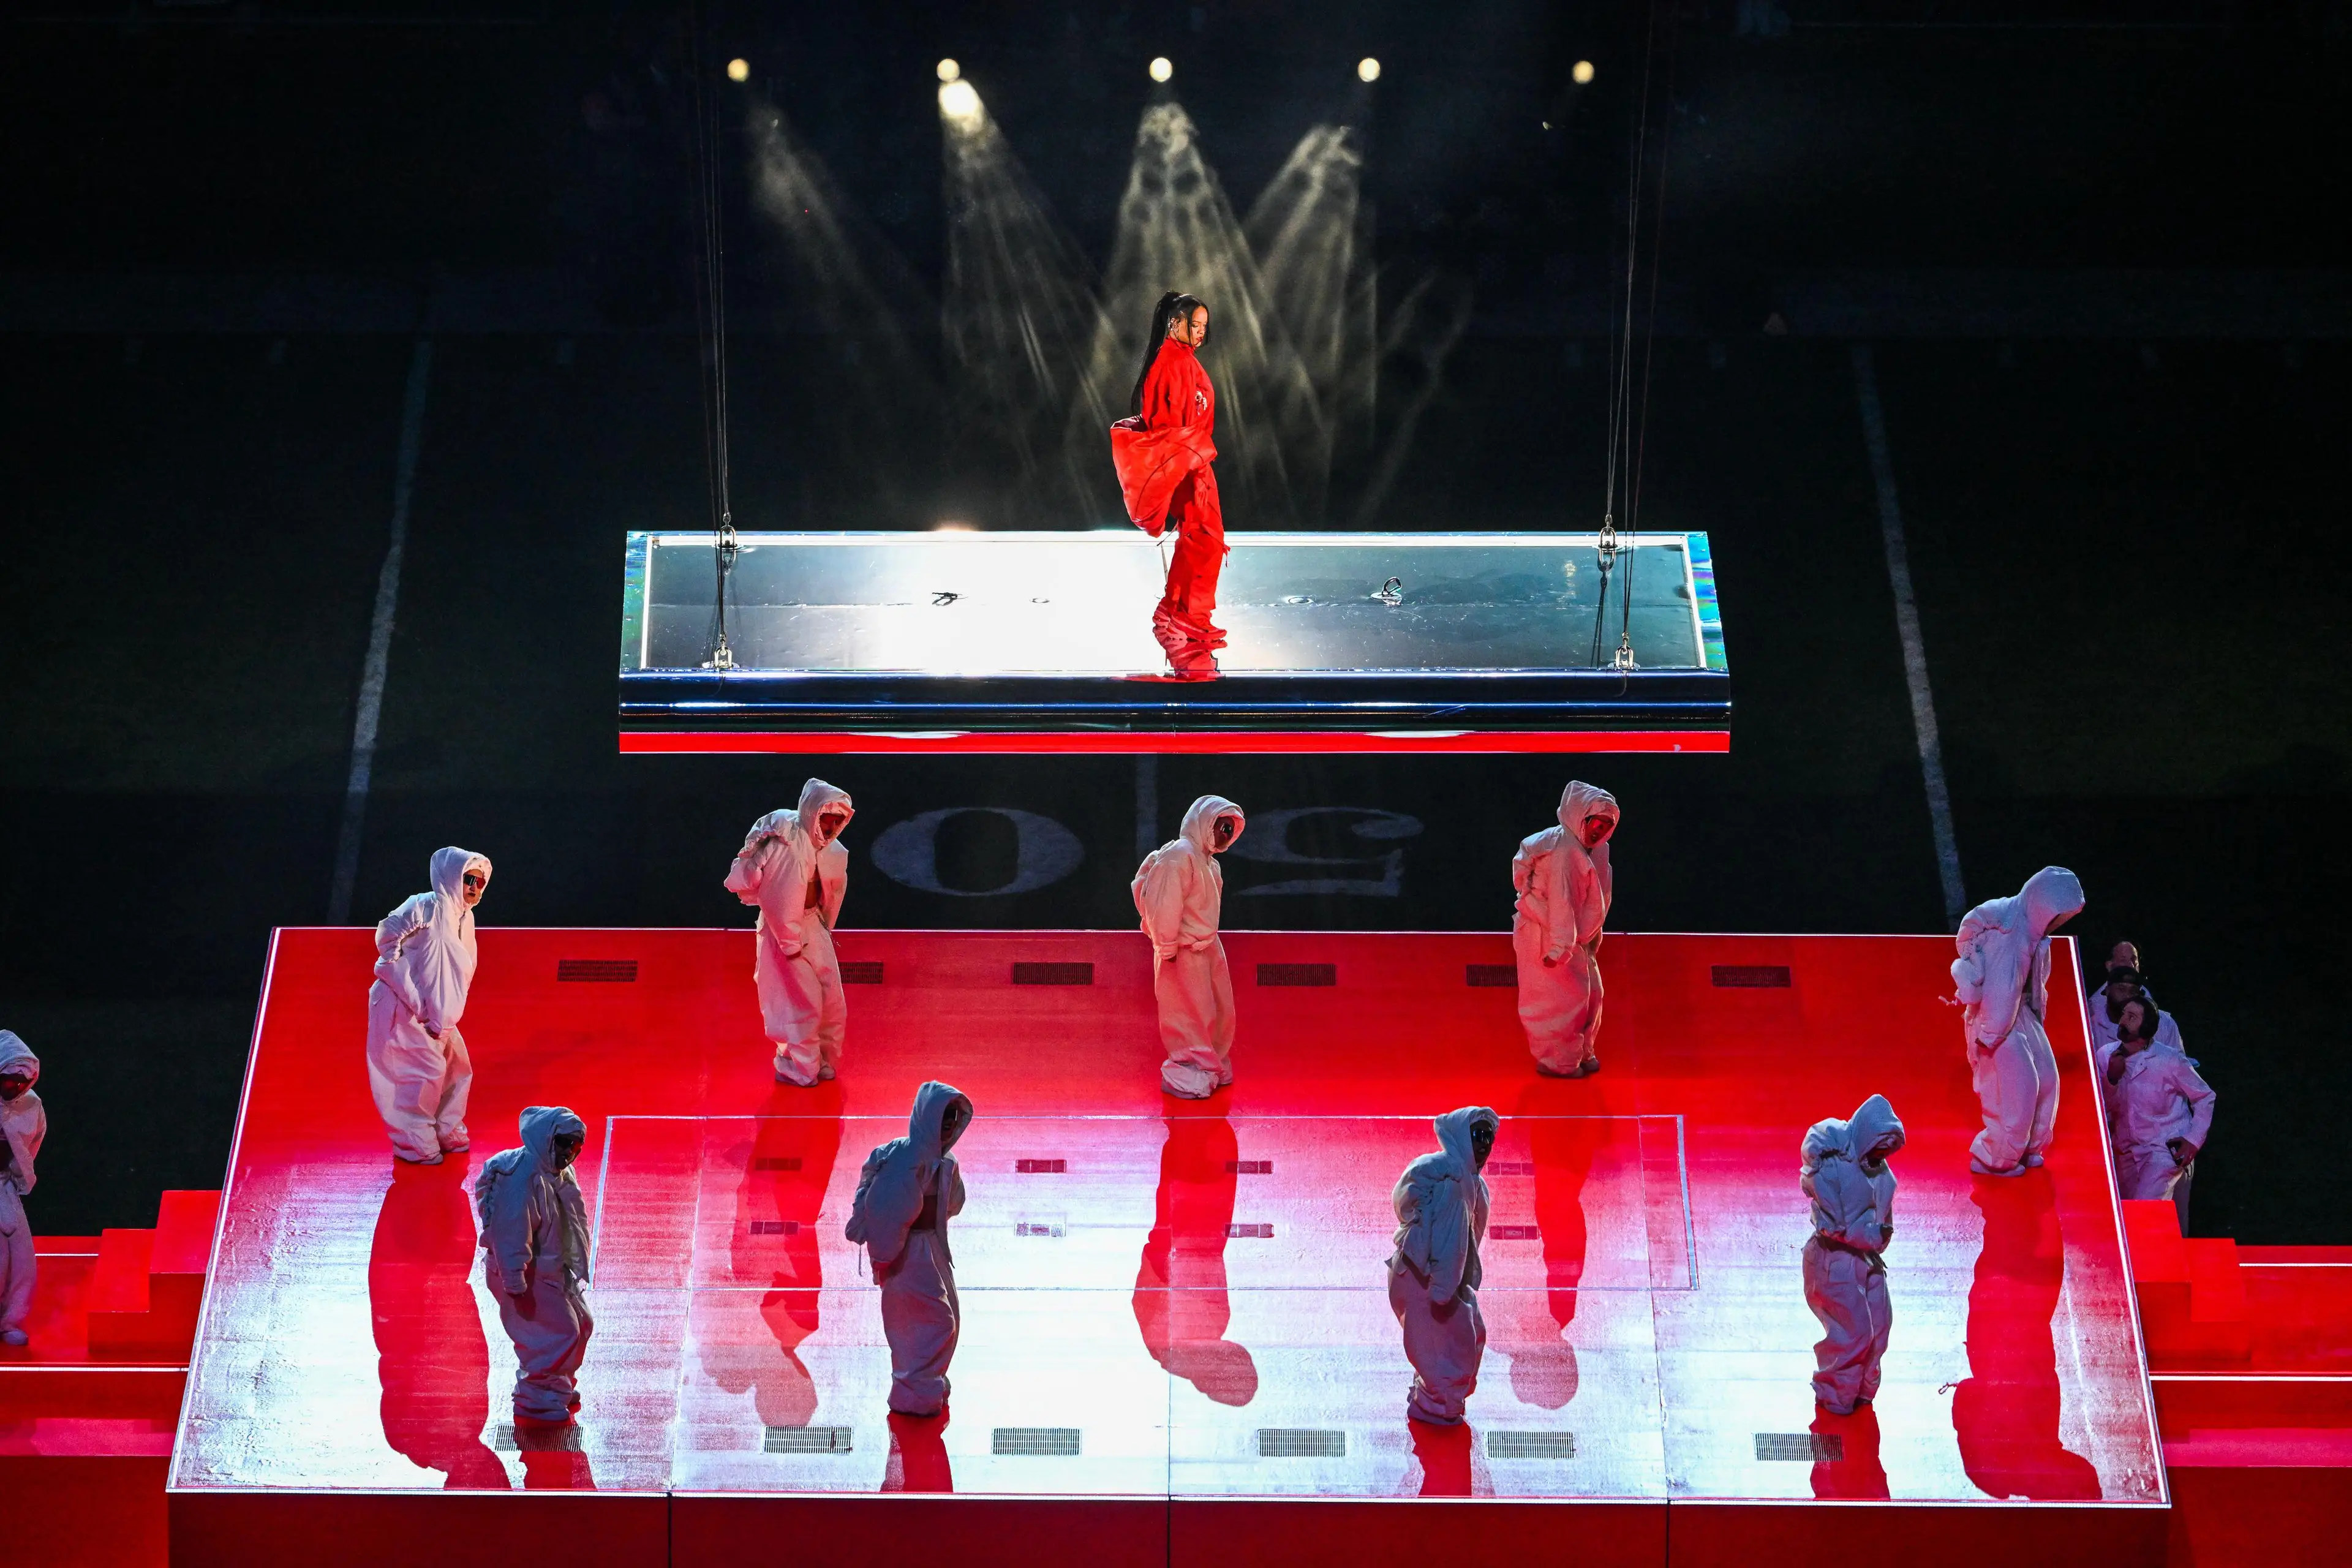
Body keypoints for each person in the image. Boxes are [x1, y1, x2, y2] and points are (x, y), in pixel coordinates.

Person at [1109, 292, 1225, 679]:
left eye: (1204, 327)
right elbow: (1165, 424)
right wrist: (1183, 464)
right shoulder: (1170, 363)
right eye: (1196, 325)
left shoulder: (1183, 361)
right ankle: (1184, 615)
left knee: (1202, 537)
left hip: (1194, 461)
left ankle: (1183, 612)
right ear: (1176, 324)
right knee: (1203, 537)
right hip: (1186, 462)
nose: (1201, 333)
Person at [846, 1081, 972, 1417]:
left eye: (952, 1121)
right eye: (942, 1120)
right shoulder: (903, 1162)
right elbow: (889, 1213)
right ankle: (915, 1391)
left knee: (946, 1318)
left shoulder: (945, 1162)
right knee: (934, 1321)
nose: (947, 1129)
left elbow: (953, 1203)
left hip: (931, 1249)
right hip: (908, 1255)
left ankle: (926, 1385)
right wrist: (885, 1258)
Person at [1951, 866, 2083, 1176]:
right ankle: (1995, 1157)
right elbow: (2000, 989)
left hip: (2019, 1013)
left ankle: (2028, 1147)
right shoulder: (2008, 935)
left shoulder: (2034, 936)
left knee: (2048, 1080)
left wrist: (2035, 1018)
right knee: (2017, 1088)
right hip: (1995, 1020)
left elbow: (2029, 987)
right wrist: (1990, 1034)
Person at [366, 847, 491, 1166]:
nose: (475, 887)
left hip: (436, 1014)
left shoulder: (465, 917)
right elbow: (388, 932)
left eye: (480, 881)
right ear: (452, 877)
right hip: (404, 1006)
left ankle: (447, 1131)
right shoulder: (426, 905)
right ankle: (416, 1145)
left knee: (457, 1069)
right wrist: (397, 971)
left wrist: (440, 1012)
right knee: (420, 1076)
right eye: (468, 879)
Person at [725, 780, 855, 1087]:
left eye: (839, 820)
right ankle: (801, 1069)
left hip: (813, 927)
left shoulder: (829, 848)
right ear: (814, 813)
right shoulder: (788, 845)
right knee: (799, 1003)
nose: (834, 825)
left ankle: (821, 1061)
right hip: (785, 935)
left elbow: (831, 893)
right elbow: (780, 898)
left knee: (831, 1000)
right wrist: (789, 944)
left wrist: (823, 926)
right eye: (828, 818)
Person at [477, 1106, 592, 1427]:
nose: (571, 1153)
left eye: (576, 1146)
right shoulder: (521, 1179)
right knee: (554, 1334)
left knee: (580, 1325)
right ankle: (536, 1400)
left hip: (552, 1268)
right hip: (525, 1273)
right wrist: (515, 1282)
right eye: (566, 1144)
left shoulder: (555, 1172)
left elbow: (572, 1221)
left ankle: (555, 1388)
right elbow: (511, 1233)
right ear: (548, 1140)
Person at [1387, 1106, 1499, 1425]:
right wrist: (1443, 1289)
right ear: (1462, 1137)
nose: (1484, 1144)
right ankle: (1438, 1405)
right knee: (1451, 1344)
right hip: (1431, 1279)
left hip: (1422, 1273)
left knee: (1447, 1340)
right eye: (1477, 1136)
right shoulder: (1454, 1188)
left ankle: (1435, 1398)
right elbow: (1452, 1245)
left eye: (1489, 1137)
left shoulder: (1467, 1182)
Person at [1135, 795, 1246, 1098]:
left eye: (1229, 828)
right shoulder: (1179, 856)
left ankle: (1211, 1064)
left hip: (1207, 946)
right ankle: (1188, 1072)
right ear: (1204, 822)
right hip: (1182, 950)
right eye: (1221, 826)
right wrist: (1167, 946)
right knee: (1187, 1014)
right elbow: (1165, 902)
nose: (1225, 834)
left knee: (1219, 1010)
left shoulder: (1209, 863)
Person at [1801, 1094, 1904, 1415]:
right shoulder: (1833, 1167)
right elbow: (1836, 1226)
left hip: (1867, 1260)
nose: (1883, 1154)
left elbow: (1879, 1222)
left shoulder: (1880, 1173)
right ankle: (1835, 1394)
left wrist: (1878, 1238)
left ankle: (1861, 1390)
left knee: (1880, 1326)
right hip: (1835, 1263)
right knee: (1854, 1332)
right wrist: (1875, 1236)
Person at [1512, 782, 1619, 1077]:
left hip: (1571, 937)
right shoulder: (1564, 853)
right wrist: (1559, 948)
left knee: (1591, 996)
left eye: (1606, 824)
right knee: (1558, 1002)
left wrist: (1592, 937)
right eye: (1594, 822)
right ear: (1579, 817)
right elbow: (1562, 902)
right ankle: (1558, 1062)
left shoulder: (1593, 850)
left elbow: (1596, 899)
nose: (1599, 830)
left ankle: (1582, 1053)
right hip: (1548, 935)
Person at [2097, 996, 2215, 1229]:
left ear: (2147, 1028)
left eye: (2132, 1017)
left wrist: (2192, 1141)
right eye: (2124, 1014)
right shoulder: (2105, 1056)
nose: (2123, 1020)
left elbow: (2205, 1097)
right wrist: (2111, 1078)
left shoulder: (2169, 1060)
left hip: (2162, 1148)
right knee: (2124, 1215)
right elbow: (2102, 1108)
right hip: (2125, 1150)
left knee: (2143, 1211)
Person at [0, 1035, 45, 1348]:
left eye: (20, 1082)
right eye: (8, 1080)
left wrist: (17, 1178)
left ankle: (8, 1321)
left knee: (20, 1259)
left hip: (4, 1186)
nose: (14, 1088)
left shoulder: (31, 1105)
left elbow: (33, 1143)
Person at [2084, 963, 2185, 1055]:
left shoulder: (2165, 1023)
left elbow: (2179, 1067)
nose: (2127, 995)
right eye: (2121, 989)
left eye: (2133, 991)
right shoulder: (2089, 1024)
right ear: (2107, 991)